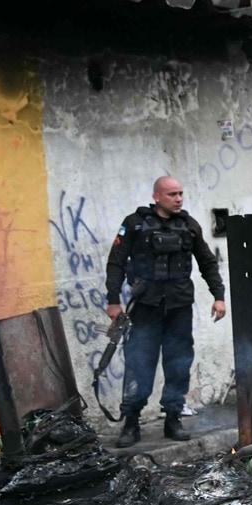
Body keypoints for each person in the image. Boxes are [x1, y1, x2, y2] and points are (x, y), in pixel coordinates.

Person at [105, 176, 226, 448]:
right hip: (145, 308)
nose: (179, 198)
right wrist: (113, 301)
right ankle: (131, 422)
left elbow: (207, 262)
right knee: (139, 364)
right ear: (157, 196)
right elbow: (116, 263)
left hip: (179, 307)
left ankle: (173, 417)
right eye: (172, 194)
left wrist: (219, 296)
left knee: (178, 363)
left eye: (181, 193)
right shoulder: (134, 224)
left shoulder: (189, 225)